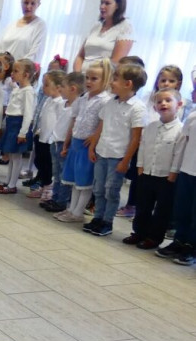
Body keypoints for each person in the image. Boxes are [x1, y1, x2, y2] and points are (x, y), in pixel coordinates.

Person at [84, 63, 146, 236]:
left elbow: (136, 138)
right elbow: (101, 125)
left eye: (115, 79)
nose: (111, 82)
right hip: (102, 152)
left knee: (111, 191)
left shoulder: (138, 108)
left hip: (118, 157)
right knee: (98, 188)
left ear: (128, 84)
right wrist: (93, 147)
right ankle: (97, 218)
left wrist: (126, 161)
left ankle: (107, 222)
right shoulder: (110, 102)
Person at [121, 89, 183, 250]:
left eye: (168, 100)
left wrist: (173, 173)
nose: (163, 104)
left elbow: (178, 153)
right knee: (143, 206)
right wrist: (140, 167)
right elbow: (143, 148)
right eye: (159, 101)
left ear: (179, 105)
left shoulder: (180, 130)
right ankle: (139, 232)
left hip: (166, 177)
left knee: (162, 210)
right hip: (146, 173)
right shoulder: (150, 127)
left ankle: (154, 238)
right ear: (155, 107)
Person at [56, 59, 113, 223]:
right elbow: (73, 120)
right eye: (87, 77)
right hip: (76, 143)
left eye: (94, 79)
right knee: (75, 180)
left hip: (87, 146)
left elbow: (103, 122)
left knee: (84, 181)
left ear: (105, 80)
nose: (89, 81)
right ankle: (72, 209)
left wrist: (94, 139)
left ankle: (78, 212)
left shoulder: (105, 101)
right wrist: (67, 142)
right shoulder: (82, 98)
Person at [159, 93, 196, 264]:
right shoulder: (193, 116)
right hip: (187, 171)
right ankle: (179, 241)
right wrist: (176, 169)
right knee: (182, 210)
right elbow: (183, 143)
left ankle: (191, 247)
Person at [42, 71, 84, 213]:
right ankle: (55, 197)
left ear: (72, 89)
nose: (60, 89)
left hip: (65, 144)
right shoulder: (62, 103)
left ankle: (61, 201)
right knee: (56, 173)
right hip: (56, 141)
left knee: (63, 174)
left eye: (63, 87)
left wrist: (67, 143)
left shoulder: (77, 106)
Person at [0, 59, 37, 194]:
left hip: (19, 126)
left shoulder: (28, 91)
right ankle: (8, 182)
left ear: (26, 75)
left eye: (16, 71)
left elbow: (28, 114)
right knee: (11, 155)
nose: (12, 73)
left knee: (17, 156)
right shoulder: (18, 89)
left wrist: (23, 132)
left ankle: (12, 185)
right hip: (11, 123)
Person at [30, 70, 67, 200]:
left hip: (51, 139)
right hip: (42, 136)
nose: (43, 87)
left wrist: (53, 136)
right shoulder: (48, 100)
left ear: (58, 87)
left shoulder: (60, 102)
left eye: (46, 85)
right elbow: (43, 116)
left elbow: (60, 121)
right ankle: (43, 184)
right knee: (38, 161)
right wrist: (39, 130)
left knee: (48, 164)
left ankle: (48, 186)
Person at [74, 0, 133, 72]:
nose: (102, 7)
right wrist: (77, 74)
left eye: (107, 3)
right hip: (82, 76)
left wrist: (93, 75)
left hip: (102, 76)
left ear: (118, 6)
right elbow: (80, 56)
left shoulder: (125, 27)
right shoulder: (97, 26)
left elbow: (116, 62)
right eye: (101, 3)